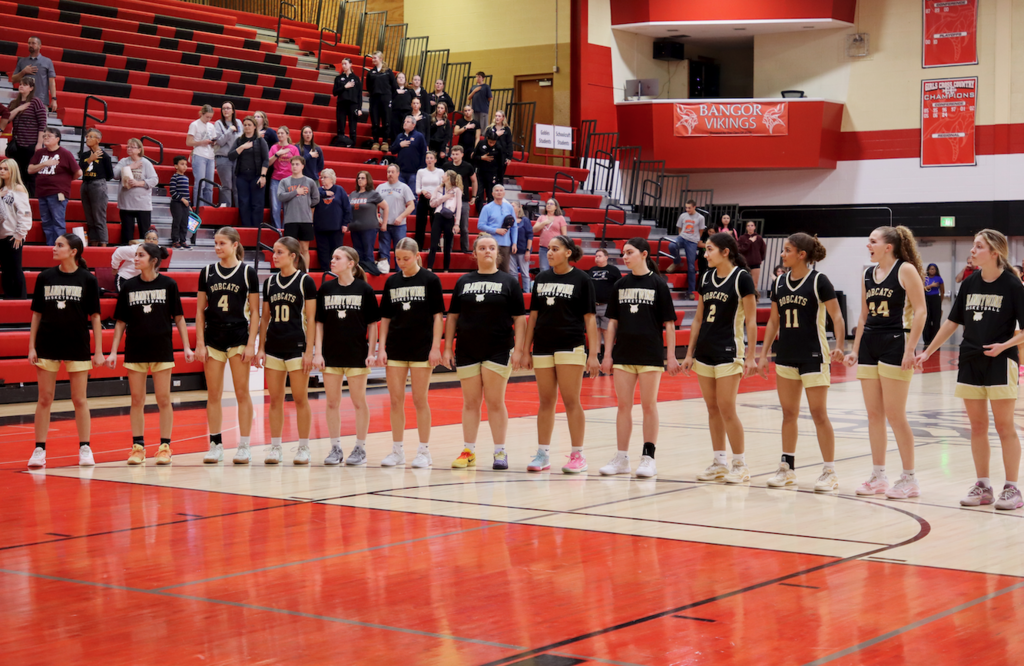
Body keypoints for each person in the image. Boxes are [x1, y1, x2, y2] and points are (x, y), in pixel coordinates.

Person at [916, 229, 1024, 510]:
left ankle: (1012, 488)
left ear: (994, 253)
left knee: (1004, 426)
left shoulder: (1012, 285)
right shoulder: (969, 282)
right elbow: (952, 322)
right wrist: (928, 350)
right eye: (973, 246)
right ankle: (983, 485)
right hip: (970, 359)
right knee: (976, 426)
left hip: (1001, 360)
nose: (972, 251)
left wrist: (1004, 346)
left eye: (978, 247)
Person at [757, 233, 847, 491]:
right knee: (788, 414)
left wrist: (839, 346)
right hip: (786, 354)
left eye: (787, 250)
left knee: (819, 414)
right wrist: (763, 355)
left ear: (801, 254)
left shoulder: (819, 280)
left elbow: (837, 317)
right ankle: (787, 467)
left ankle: (829, 471)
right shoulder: (780, 282)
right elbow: (774, 320)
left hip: (814, 355)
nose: (782, 254)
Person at [844, 226, 926, 499]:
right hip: (870, 343)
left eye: (873, 241)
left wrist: (910, 349)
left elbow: (921, 311)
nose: (868, 245)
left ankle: (909, 478)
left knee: (895, 414)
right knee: (874, 415)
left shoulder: (905, 270)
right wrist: (854, 349)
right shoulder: (867, 273)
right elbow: (864, 316)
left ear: (888, 246)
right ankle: (878, 476)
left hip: (896, 342)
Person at [444, 233, 526, 470]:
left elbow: (519, 319)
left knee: (494, 402)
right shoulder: (463, 281)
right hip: (467, 348)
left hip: (498, 349)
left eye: (491, 247)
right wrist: (448, 347)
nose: (487, 251)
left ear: (497, 254)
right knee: (470, 403)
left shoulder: (509, 282)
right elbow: (453, 318)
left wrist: (519, 350)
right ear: (475, 253)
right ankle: (468, 450)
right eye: (482, 248)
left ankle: (500, 452)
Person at [106, 243, 193, 466]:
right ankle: (138, 447)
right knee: (137, 400)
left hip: (162, 349)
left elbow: (180, 318)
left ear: (153, 260)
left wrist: (186, 346)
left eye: (140, 255)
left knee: (164, 399)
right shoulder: (128, 286)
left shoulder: (169, 284)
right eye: (135, 255)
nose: (135, 258)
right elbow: (120, 322)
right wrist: (114, 351)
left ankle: (165, 447)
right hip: (135, 349)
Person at [682, 232, 758, 483]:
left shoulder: (742, 278)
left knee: (727, 408)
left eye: (710, 250)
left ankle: (740, 464)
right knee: (712, 409)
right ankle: (719, 462)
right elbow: (698, 319)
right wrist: (689, 353)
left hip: (729, 350)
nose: (705, 254)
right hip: (705, 350)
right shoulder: (705, 277)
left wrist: (750, 356)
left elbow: (751, 321)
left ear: (726, 252)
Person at [599, 237, 679, 477]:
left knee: (648, 406)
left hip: (650, 353)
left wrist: (672, 356)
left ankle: (648, 458)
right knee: (623, 406)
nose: (624, 256)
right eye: (623, 253)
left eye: (629, 252)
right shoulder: (620, 286)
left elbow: (669, 324)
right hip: (624, 353)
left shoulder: (658, 284)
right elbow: (612, 322)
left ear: (644, 254)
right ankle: (622, 458)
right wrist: (607, 354)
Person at [521, 235, 600, 473]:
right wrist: (525, 349)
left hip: (571, 345)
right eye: (549, 249)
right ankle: (543, 454)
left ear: (568, 252)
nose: (550, 252)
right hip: (543, 346)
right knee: (545, 402)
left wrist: (593, 354)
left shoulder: (582, 279)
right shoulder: (542, 278)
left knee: (571, 401)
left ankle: (578, 455)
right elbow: (533, 316)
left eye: (556, 249)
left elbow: (590, 319)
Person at [26, 233, 104, 469]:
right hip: (47, 344)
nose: (54, 247)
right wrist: (31, 346)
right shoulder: (45, 277)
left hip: (77, 344)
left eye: (60, 245)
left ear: (73, 252)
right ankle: (39, 449)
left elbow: (96, 317)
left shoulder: (87, 280)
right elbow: (37, 314)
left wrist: (98, 350)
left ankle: (85, 448)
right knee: (44, 399)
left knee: (79, 399)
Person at [375, 238, 445, 467]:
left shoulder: (430, 280)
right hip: (396, 348)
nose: (401, 262)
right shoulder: (392, 281)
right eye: (398, 258)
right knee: (395, 401)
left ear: (418, 257)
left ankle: (424, 452)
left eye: (406, 258)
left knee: (419, 400)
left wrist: (436, 347)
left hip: (422, 348)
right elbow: (384, 318)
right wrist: (381, 347)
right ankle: (397, 451)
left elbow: (437, 316)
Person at [313, 246, 379, 465]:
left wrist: (371, 352)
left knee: (359, 401)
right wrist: (318, 352)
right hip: (331, 355)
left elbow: (372, 324)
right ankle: (335, 448)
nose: (332, 261)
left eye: (337, 258)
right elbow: (319, 324)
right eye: (331, 257)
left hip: (356, 354)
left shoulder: (365, 289)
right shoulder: (325, 289)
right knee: (331, 402)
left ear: (351, 263)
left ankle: (360, 448)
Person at [255, 237, 317, 464]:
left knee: (300, 398)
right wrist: (260, 348)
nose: (274, 255)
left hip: (297, 347)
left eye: (279, 252)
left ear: (293, 256)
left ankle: (303, 447)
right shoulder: (270, 283)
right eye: (274, 251)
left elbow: (310, 318)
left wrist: (310, 351)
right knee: (275, 400)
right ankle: (275, 447)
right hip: (274, 346)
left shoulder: (305, 281)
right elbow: (265, 318)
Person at [28, 127, 81, 245]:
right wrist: (45, 163)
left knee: (57, 221)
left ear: (57, 139)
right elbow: (30, 169)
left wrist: (65, 182)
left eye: (49, 135)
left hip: (58, 193)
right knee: (46, 222)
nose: (45, 137)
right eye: (44, 136)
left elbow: (78, 172)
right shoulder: (39, 153)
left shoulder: (65, 153)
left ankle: (60, 247)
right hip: (42, 192)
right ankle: (50, 247)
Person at [5, 77, 47, 197]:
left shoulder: (35, 102)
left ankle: (31, 200)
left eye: (25, 85)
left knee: (30, 174)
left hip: (31, 143)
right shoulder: (14, 103)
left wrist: (39, 144)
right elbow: (6, 119)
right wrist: (19, 109)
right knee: (17, 174)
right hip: (17, 145)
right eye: (21, 84)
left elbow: (42, 123)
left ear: (31, 88)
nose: (21, 86)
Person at [278, 155, 320, 270]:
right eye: (292, 164)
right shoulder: (284, 181)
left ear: (302, 166)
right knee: (290, 249)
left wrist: (306, 204)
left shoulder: (310, 181)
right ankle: (291, 271)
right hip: (290, 219)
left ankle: (305, 272)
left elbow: (316, 198)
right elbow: (281, 197)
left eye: (297, 164)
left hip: (305, 219)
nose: (294, 166)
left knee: (305, 249)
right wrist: (296, 192)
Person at [112, 138, 158, 243]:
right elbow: (115, 175)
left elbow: (154, 180)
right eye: (128, 146)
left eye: (132, 147)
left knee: (144, 233)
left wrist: (139, 183)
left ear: (139, 149)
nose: (129, 149)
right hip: (126, 203)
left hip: (142, 204)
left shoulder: (146, 163)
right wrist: (129, 167)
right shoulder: (124, 161)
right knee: (127, 233)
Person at [230, 115, 269, 228]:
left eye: (249, 125)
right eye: (245, 125)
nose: (247, 127)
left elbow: (266, 159)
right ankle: (246, 228)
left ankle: (256, 230)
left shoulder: (260, 141)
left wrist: (263, 176)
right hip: (242, 176)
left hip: (256, 175)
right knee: (244, 203)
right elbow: (231, 156)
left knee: (257, 204)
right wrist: (242, 147)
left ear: (254, 127)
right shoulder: (239, 141)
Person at [0, 158, 32, 299]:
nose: (2, 171)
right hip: (1, 235)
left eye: (6, 169)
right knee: (6, 271)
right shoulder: (1, 189)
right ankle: (9, 299)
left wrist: (20, 234)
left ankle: (20, 301)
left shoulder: (18, 188)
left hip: (13, 235)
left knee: (15, 269)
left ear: (13, 171)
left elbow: (25, 212)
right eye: (1, 168)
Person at [375, 164, 414, 272]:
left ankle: (400, 273)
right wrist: (377, 217)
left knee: (401, 251)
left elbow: (411, 205)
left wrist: (401, 217)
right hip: (384, 224)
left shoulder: (404, 187)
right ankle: (384, 272)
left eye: (392, 172)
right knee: (383, 250)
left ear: (398, 173)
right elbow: (373, 204)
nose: (390, 174)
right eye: (388, 172)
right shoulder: (380, 188)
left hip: (399, 225)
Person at [77, 128, 112, 247]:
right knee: (89, 217)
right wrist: (89, 160)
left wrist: (98, 181)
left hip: (98, 184)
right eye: (87, 136)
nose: (87, 138)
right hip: (85, 184)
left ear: (98, 140)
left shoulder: (105, 156)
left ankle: (103, 243)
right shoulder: (85, 155)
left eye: (90, 136)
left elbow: (110, 175)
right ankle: (94, 241)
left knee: (99, 217)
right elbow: (79, 169)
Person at [666, 200, 706, 301]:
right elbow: (679, 227)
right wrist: (681, 235)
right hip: (682, 237)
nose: (687, 209)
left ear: (694, 207)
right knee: (671, 245)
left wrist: (695, 239)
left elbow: (701, 230)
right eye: (686, 207)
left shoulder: (700, 218)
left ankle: (691, 291)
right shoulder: (683, 215)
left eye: (689, 208)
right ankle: (677, 261)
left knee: (691, 267)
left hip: (692, 241)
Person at [314, 168, 352, 273]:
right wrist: (324, 194)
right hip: (320, 227)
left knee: (336, 251)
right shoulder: (318, 191)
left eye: (325, 177)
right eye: (321, 177)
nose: (322, 179)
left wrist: (345, 223)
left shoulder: (339, 190)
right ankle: (326, 272)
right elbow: (311, 199)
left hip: (336, 227)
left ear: (332, 179)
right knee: (323, 252)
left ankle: (337, 272)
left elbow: (347, 208)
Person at [348, 170, 387, 272]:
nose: (360, 180)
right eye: (358, 178)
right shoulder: (353, 194)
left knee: (368, 252)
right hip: (355, 228)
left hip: (369, 228)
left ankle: (370, 274)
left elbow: (385, 207)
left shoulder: (373, 194)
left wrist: (384, 222)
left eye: (363, 178)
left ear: (368, 180)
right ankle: (359, 273)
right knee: (357, 253)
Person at [440, 145, 476, 253]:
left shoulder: (468, 166)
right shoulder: (446, 165)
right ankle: (448, 250)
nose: (455, 156)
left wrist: (473, 196)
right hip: (449, 199)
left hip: (463, 199)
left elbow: (474, 181)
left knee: (464, 227)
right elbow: (442, 181)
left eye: (457, 154)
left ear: (462, 155)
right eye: (453, 154)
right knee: (449, 226)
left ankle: (465, 249)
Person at [476, 184, 517, 273]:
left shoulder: (509, 207)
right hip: (491, 244)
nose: (499, 192)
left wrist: (514, 243)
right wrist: (496, 230)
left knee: (505, 270)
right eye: (497, 191)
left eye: (501, 190)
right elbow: (480, 225)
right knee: (490, 268)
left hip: (505, 244)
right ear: (493, 194)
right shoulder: (487, 208)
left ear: (504, 193)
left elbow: (514, 226)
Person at [427, 169, 461, 272]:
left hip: (449, 217)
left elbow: (459, 207)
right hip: (438, 216)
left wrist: (457, 223)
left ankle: (446, 268)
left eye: (444, 175)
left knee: (447, 245)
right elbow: (432, 204)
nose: (442, 176)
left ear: (449, 177)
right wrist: (444, 197)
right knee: (433, 244)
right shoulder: (438, 188)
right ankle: (429, 267)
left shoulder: (457, 190)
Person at [267, 126, 299, 230]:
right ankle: (277, 229)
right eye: (278, 133)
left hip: (289, 180)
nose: (280, 135)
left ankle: (286, 228)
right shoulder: (274, 148)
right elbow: (268, 163)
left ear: (287, 135)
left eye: (282, 133)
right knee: (276, 207)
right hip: (276, 179)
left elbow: (298, 164)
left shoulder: (293, 148)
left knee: (288, 207)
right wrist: (277, 154)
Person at [12, 37, 57, 112]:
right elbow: (13, 79)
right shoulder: (22, 61)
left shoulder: (47, 61)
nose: (30, 45)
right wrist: (23, 72)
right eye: (29, 43)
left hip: (41, 100)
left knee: (41, 123)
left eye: (33, 43)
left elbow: (52, 82)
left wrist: (54, 99)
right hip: (24, 100)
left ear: (40, 46)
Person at [587, 247, 622, 340]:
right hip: (593, 305)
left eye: (600, 256)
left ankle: (607, 353)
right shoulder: (591, 270)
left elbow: (619, 287)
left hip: (606, 305)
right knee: (596, 330)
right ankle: (597, 353)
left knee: (606, 330)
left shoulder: (613, 270)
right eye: (596, 256)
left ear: (606, 257)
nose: (597, 258)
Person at [213, 101, 243, 207]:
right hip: (223, 157)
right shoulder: (218, 123)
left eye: (228, 108)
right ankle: (227, 208)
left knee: (237, 185)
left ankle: (239, 210)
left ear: (233, 110)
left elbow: (240, 140)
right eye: (224, 108)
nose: (226, 110)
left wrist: (228, 138)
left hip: (236, 157)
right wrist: (229, 131)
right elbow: (219, 142)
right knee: (227, 186)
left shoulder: (239, 122)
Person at [186, 104, 217, 207]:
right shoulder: (194, 124)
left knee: (209, 185)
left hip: (210, 156)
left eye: (210, 117)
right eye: (207, 116)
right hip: (199, 154)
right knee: (200, 183)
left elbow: (213, 139)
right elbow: (189, 142)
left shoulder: (211, 126)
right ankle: (198, 207)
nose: (208, 119)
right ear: (201, 114)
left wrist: (213, 143)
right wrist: (201, 142)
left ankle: (207, 208)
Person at [365, 53, 395, 150]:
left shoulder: (388, 71)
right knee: (375, 122)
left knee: (386, 121)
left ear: (381, 59)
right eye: (372, 58)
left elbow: (394, 86)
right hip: (374, 99)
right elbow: (368, 87)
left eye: (375, 58)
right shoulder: (371, 72)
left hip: (386, 99)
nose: (373, 59)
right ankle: (375, 142)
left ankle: (385, 141)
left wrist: (389, 97)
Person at [414, 150, 442, 251]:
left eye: (431, 158)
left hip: (435, 200)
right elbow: (417, 189)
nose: (429, 160)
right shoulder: (421, 172)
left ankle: (435, 247)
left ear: (435, 160)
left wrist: (434, 194)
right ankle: (418, 247)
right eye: (427, 158)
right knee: (420, 224)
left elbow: (442, 188)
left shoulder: (440, 172)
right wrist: (423, 191)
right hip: (423, 199)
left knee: (435, 224)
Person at [390, 115, 427, 191]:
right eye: (404, 122)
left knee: (413, 195)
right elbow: (392, 150)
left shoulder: (419, 136)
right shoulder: (400, 136)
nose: (405, 123)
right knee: (398, 194)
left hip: (414, 173)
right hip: (400, 172)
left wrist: (421, 170)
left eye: (408, 122)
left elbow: (424, 153)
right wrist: (399, 145)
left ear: (413, 124)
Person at [332, 58, 362, 146]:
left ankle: (353, 144)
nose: (343, 65)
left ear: (350, 64)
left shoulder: (356, 79)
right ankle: (340, 142)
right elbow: (334, 92)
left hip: (353, 104)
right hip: (342, 104)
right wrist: (345, 87)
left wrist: (359, 108)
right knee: (341, 124)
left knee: (353, 125)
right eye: (342, 64)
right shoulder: (338, 78)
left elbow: (359, 95)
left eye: (345, 63)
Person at [533, 198, 567, 272]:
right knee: (543, 269)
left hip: (556, 248)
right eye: (547, 204)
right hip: (544, 247)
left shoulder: (560, 218)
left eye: (551, 204)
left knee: (555, 268)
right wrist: (544, 223)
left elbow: (564, 234)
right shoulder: (542, 217)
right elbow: (534, 230)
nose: (548, 205)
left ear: (556, 207)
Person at [472, 130, 503, 208]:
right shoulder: (481, 144)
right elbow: (473, 157)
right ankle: (480, 213)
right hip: (481, 172)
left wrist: (499, 177)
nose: (491, 144)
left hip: (492, 173)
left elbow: (501, 163)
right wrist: (481, 158)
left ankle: (491, 213)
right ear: (487, 139)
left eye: (493, 142)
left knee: (491, 194)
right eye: (490, 142)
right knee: (479, 194)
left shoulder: (499, 147)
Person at [168, 155, 191, 249]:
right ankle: (175, 240)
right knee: (177, 222)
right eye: (182, 164)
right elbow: (173, 192)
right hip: (177, 203)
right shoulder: (174, 177)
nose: (185, 166)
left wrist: (188, 204)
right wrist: (182, 199)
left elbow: (187, 193)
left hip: (185, 204)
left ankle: (183, 240)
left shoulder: (186, 178)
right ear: (176, 166)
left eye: (186, 164)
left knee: (184, 223)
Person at [510, 201, 534, 293]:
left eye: (513, 206)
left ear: (519, 208)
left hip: (523, 250)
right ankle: (515, 293)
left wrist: (528, 250)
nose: (511, 207)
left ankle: (527, 292)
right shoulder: (508, 219)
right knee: (512, 273)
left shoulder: (525, 220)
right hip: (510, 250)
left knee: (525, 273)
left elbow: (530, 236)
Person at [737, 219, 767, 287]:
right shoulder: (742, 238)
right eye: (748, 226)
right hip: (744, 264)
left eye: (752, 225)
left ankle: (755, 297)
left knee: (754, 284)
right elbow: (739, 249)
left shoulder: (759, 238)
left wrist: (759, 259)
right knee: (743, 283)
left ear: (754, 227)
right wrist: (749, 241)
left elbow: (763, 250)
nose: (750, 227)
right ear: (746, 227)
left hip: (755, 263)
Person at [488, 110, 513, 184]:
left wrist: (509, 157)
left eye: (499, 116)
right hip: (492, 154)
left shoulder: (507, 129)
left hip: (502, 155)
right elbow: (487, 140)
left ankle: (499, 192)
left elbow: (509, 143)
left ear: (503, 118)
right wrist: (496, 134)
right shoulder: (490, 128)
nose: (497, 118)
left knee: (500, 176)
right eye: (496, 116)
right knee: (491, 175)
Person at [923, 263, 945, 345]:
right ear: (928, 270)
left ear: (936, 270)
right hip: (926, 299)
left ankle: (934, 340)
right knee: (926, 320)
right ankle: (927, 340)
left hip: (936, 299)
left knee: (936, 320)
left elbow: (942, 291)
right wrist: (931, 286)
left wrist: (940, 302)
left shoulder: (939, 279)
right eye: (931, 269)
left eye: (934, 269)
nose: (932, 270)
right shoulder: (925, 279)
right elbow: (922, 289)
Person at [467, 71, 492, 143]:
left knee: (483, 127)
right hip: (474, 109)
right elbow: (469, 97)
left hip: (483, 109)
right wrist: (474, 91)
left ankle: (484, 142)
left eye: (479, 77)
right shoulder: (473, 87)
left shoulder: (486, 87)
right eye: (476, 77)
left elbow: (490, 97)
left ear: (483, 78)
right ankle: (475, 141)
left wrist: (484, 102)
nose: (477, 78)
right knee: (475, 126)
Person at [390, 72, 413, 143]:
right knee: (394, 128)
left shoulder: (410, 90)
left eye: (403, 77)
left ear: (405, 80)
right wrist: (396, 93)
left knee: (404, 128)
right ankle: (394, 143)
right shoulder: (392, 90)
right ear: (396, 79)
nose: (401, 79)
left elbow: (415, 100)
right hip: (395, 112)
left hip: (406, 112)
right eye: (399, 77)